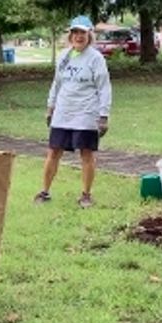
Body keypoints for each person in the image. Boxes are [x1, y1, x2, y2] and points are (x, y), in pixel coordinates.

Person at [34, 15, 112, 208]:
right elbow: (57, 83)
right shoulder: (64, 56)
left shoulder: (96, 58)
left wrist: (103, 116)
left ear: (89, 35)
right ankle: (45, 191)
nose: (78, 36)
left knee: (86, 154)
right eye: (75, 32)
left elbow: (104, 87)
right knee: (53, 152)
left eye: (82, 33)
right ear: (70, 35)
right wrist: (50, 108)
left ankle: (86, 195)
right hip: (63, 113)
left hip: (86, 113)